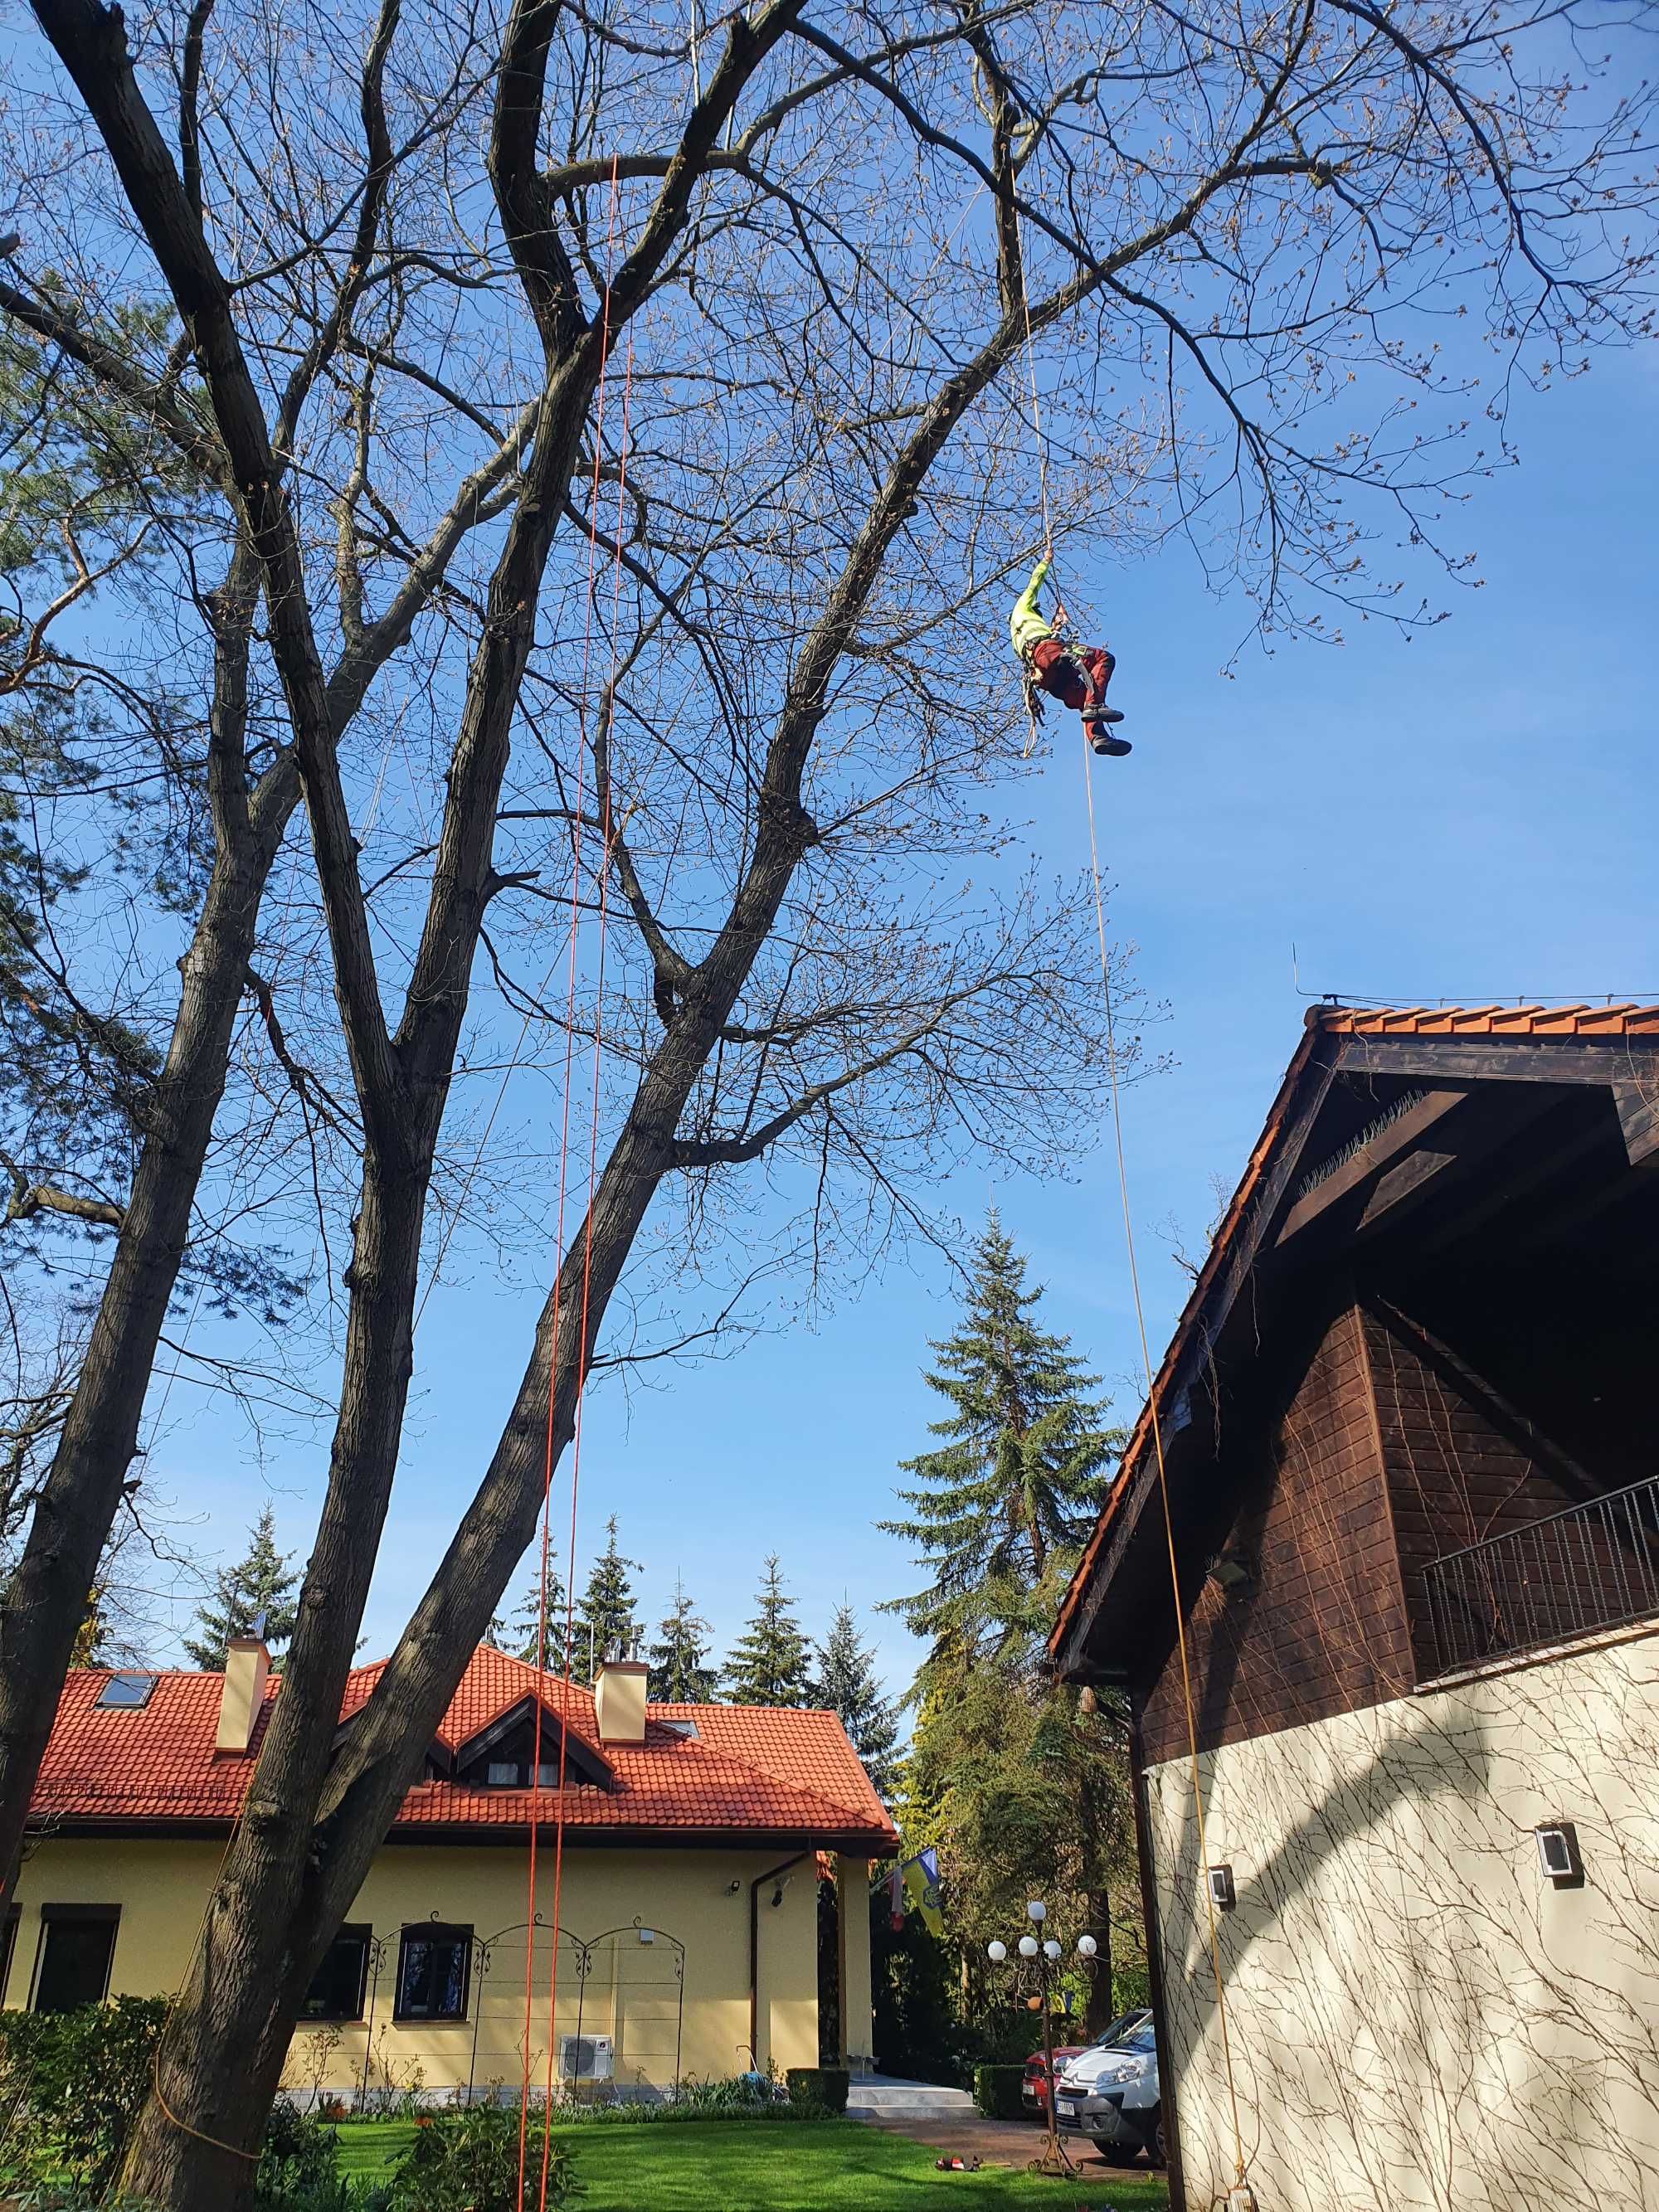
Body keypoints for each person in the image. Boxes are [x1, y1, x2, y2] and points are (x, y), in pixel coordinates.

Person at [1009, 554, 1130, 756]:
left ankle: (1097, 737)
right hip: (1049, 652)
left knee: (1084, 696)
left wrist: (1056, 626)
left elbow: (1038, 651)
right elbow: (1033, 585)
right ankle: (1096, 706)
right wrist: (1046, 562)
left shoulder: (1020, 633)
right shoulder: (1022, 608)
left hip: (1045, 675)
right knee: (1103, 658)